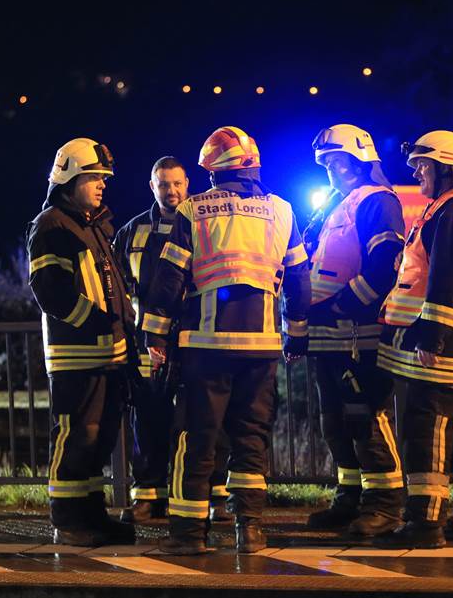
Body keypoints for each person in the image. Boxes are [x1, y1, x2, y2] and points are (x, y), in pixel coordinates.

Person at [143, 126, 311, 555]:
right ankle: (249, 530)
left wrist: (155, 334)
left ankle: (187, 534)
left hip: (206, 347)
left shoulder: (194, 210)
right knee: (251, 438)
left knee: (196, 436)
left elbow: (169, 277)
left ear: (213, 171)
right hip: (261, 348)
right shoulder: (282, 211)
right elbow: (299, 279)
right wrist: (296, 334)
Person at [374, 130, 453, 549]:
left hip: (447, 337)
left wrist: (432, 335)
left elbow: (450, 279)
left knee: (429, 424)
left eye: (422, 166)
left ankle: (424, 523)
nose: (416, 173)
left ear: (445, 168)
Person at [26, 137, 137, 547]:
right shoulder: (51, 225)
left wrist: (123, 331)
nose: (102, 185)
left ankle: (92, 516)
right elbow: (50, 291)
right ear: (69, 180)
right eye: (93, 178)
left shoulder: (93, 224)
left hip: (107, 353)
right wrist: (92, 323)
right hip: (76, 356)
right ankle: (69, 521)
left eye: (103, 178)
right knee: (76, 437)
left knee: (99, 440)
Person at [113, 156, 233, 524]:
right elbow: (119, 288)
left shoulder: (203, 224)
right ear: (152, 187)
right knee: (149, 417)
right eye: (164, 184)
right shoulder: (132, 232)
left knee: (208, 418)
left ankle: (216, 494)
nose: (172, 191)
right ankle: (149, 496)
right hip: (148, 342)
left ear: (188, 184)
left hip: (196, 337)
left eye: (177, 183)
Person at [303, 124, 406, 538]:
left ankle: (385, 504)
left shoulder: (378, 201)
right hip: (327, 334)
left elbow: (385, 265)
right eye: (327, 163)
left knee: (365, 418)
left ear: (359, 161)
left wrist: (345, 304)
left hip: (358, 333)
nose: (331, 170)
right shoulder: (334, 204)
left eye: (337, 162)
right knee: (334, 422)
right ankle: (350, 497)